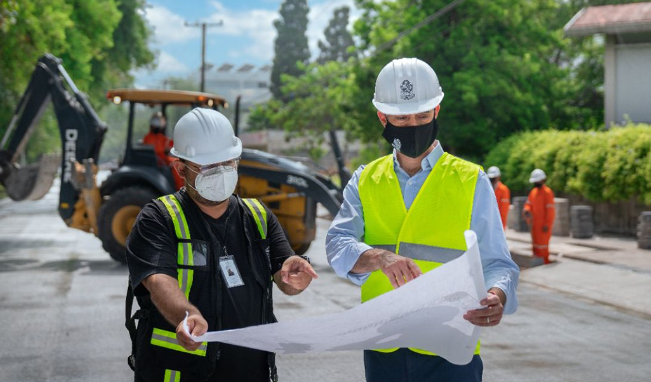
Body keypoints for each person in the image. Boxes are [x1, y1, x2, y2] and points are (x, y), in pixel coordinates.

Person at [325, 58, 519, 382]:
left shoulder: (471, 180)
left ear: (437, 112)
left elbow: (499, 264)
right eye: (402, 118)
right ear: (382, 117)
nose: (413, 124)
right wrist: (378, 257)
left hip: (451, 347)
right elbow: (336, 244)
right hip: (384, 347)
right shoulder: (365, 180)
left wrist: (497, 295)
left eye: (422, 115)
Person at [125, 108, 318, 382]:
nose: (220, 172)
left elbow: (284, 275)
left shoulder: (258, 216)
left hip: (253, 372)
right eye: (207, 166)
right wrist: (187, 314)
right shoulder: (158, 218)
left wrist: (293, 276)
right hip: (181, 373)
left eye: (227, 162)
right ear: (181, 168)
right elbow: (158, 281)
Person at [142, 111, 184, 189]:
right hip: (158, 161)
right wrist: (166, 149)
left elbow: (168, 142)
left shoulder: (160, 137)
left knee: (178, 161)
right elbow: (159, 150)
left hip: (162, 159)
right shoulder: (148, 138)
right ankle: (180, 189)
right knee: (177, 166)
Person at [523, 168, 555, 264]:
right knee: (535, 244)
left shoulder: (547, 192)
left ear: (543, 180)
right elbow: (528, 204)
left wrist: (547, 224)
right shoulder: (533, 192)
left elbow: (550, 211)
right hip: (534, 224)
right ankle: (537, 261)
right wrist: (527, 210)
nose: (536, 183)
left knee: (543, 245)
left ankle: (545, 261)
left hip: (543, 226)